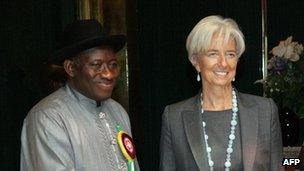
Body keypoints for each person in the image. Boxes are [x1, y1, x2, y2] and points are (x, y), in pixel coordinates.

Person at [159, 15, 283, 171]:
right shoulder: (174, 117)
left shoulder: (265, 111)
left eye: (230, 54)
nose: (223, 63)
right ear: (196, 62)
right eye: (213, 54)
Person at [21, 19, 139, 171]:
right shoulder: (48, 118)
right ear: (70, 68)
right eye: (96, 65)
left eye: (113, 65)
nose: (109, 74)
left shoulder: (118, 111)